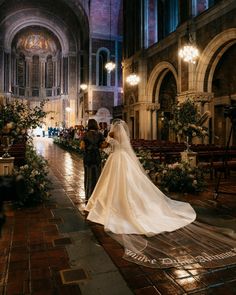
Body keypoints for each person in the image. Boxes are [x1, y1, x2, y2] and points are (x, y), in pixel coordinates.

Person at [85, 119, 236, 269]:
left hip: (115, 160)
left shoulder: (111, 134)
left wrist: (108, 141)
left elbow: (106, 148)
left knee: (113, 184)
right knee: (129, 184)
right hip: (123, 160)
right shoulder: (120, 135)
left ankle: (112, 203)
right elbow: (121, 147)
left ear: (113, 127)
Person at [80, 119, 106, 202]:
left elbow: (82, 147)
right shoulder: (100, 134)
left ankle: (88, 196)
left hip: (88, 157)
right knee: (97, 176)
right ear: (95, 125)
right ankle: (97, 195)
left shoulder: (85, 135)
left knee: (88, 176)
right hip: (97, 157)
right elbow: (103, 146)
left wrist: (87, 148)